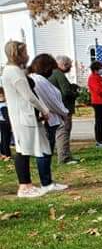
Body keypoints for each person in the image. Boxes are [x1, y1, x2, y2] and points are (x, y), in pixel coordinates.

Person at [2, 40, 66, 198]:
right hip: (22, 117)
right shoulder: (13, 72)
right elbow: (28, 96)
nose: (27, 55)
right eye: (24, 52)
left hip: (29, 116)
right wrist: (44, 109)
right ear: (16, 54)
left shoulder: (17, 70)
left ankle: (47, 183)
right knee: (23, 151)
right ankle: (25, 186)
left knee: (42, 148)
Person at [28, 54, 70, 166]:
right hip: (49, 118)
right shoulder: (39, 80)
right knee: (46, 150)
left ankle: (47, 177)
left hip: (49, 117)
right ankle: (46, 179)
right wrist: (64, 112)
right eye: (51, 68)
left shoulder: (37, 79)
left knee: (47, 149)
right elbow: (50, 101)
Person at [50, 56, 78, 164]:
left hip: (55, 107)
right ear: (63, 65)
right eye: (69, 66)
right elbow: (66, 92)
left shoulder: (52, 73)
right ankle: (64, 157)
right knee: (64, 131)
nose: (70, 68)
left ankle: (62, 153)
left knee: (57, 132)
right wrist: (75, 93)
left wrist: (71, 86)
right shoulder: (58, 74)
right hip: (63, 108)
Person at [87, 61, 102, 148]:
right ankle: (99, 141)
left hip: (101, 102)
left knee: (101, 121)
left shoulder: (98, 78)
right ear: (95, 70)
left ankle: (101, 139)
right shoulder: (93, 78)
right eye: (101, 68)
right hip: (98, 102)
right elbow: (98, 90)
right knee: (99, 122)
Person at [0, 85, 11, 159]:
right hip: (3, 122)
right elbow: (6, 116)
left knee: (4, 139)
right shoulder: (3, 104)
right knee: (4, 139)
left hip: (3, 122)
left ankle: (5, 154)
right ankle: (5, 154)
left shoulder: (3, 104)